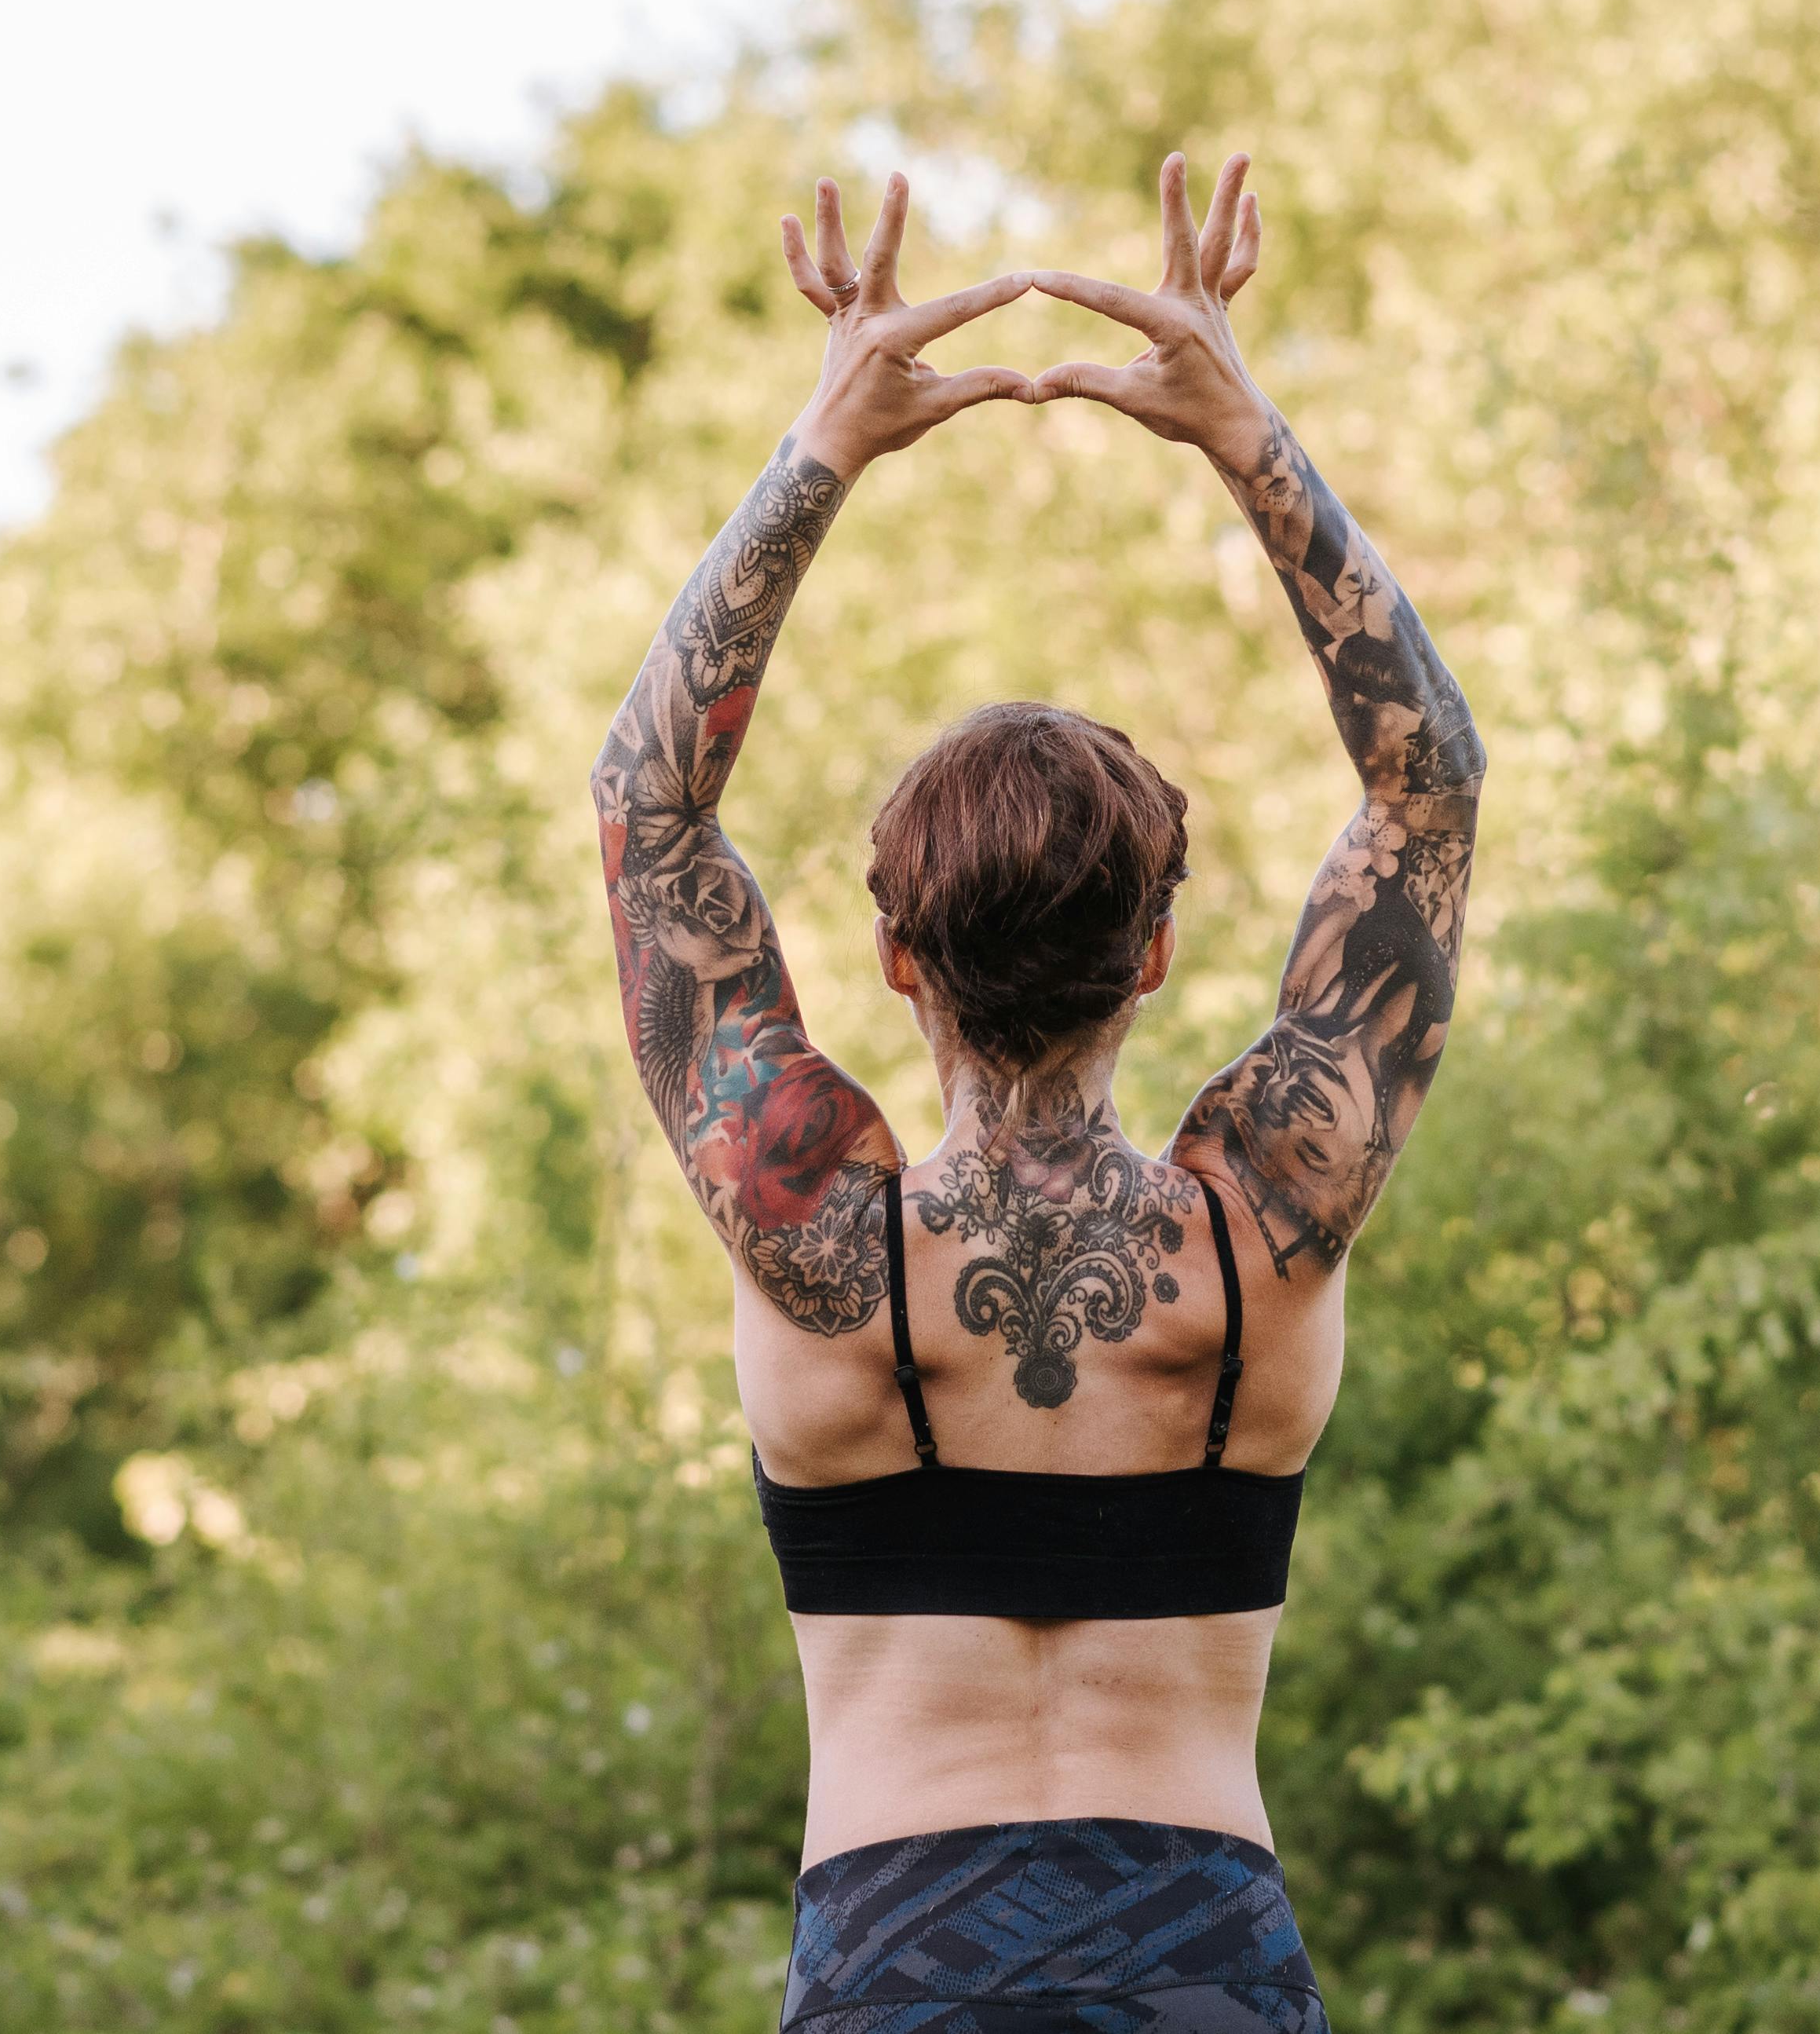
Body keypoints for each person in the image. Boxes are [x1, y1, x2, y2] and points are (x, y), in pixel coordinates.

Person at [591, 153, 1486, 2034]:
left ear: (894, 957)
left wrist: (827, 440)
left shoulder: (812, 1225)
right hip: (1204, 1967)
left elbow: (647, 805)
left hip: (897, 1968)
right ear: (1153, 954)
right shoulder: (1263, 1217)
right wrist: (1241, 432)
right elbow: (1427, 785)